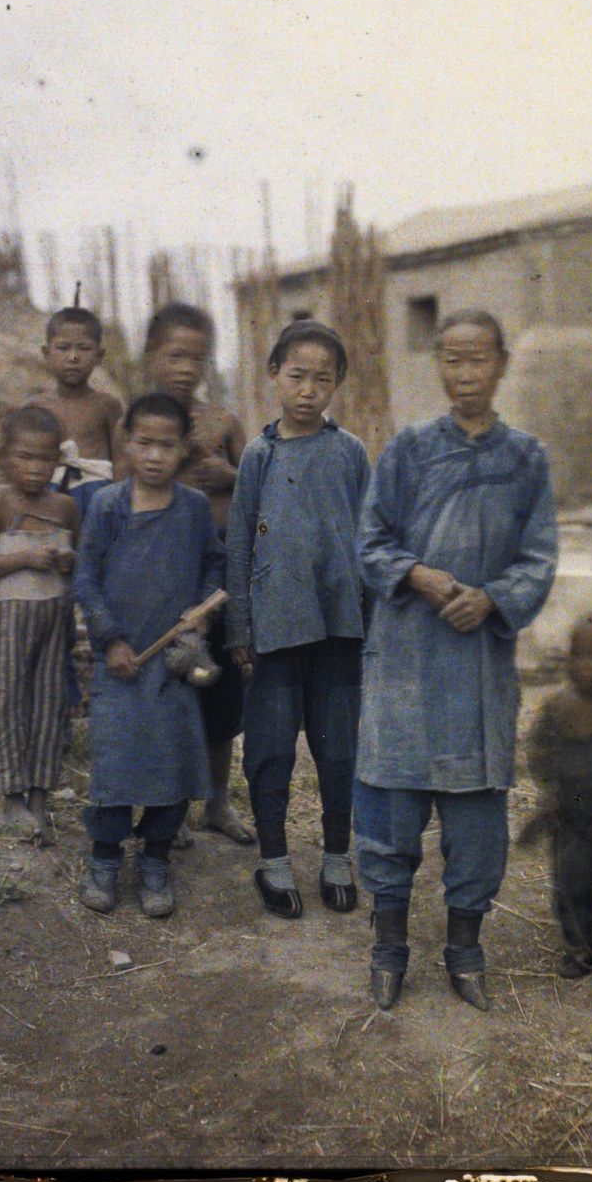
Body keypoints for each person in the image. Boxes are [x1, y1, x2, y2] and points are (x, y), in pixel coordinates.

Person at [356, 309, 558, 1011]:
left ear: (501, 365)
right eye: (452, 360)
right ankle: (388, 950)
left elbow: (539, 556)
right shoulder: (407, 450)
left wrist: (494, 599)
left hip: (478, 665)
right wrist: (417, 575)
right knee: (392, 810)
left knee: (476, 823)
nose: (466, 374)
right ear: (439, 365)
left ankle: (465, 950)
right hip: (406, 662)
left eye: (479, 360)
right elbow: (369, 541)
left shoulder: (526, 458)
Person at [225, 321, 370, 919]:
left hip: (338, 626)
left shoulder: (350, 452)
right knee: (270, 746)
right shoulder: (259, 456)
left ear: (338, 384)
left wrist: (369, 622)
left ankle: (337, 855)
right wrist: (240, 627)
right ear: (273, 375)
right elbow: (240, 542)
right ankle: (275, 859)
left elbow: (370, 538)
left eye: (322, 380)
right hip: (276, 627)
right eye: (297, 376)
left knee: (337, 747)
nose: (308, 390)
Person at [73, 392, 225, 917]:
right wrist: (111, 639)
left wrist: (201, 612)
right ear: (127, 443)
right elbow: (86, 578)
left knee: (172, 764)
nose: (155, 456)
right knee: (115, 765)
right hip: (119, 664)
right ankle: (105, 859)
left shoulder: (194, 508)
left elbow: (214, 566)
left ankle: (156, 859)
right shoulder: (107, 505)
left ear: (184, 448)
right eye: (145, 443)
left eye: (167, 445)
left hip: (172, 664)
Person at [141, 301, 254, 847]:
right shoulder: (143, 424)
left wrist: (228, 473)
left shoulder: (222, 422)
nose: (187, 369)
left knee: (222, 686)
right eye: (175, 356)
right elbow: (125, 484)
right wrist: (177, 461)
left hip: (222, 567)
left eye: (198, 358)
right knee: (171, 683)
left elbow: (259, 483)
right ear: (150, 355)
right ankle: (169, 804)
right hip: (166, 567)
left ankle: (217, 802)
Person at [0, 406, 81, 843]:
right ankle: (12, 794)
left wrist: (69, 561)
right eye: (25, 457)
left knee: (49, 702)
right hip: (11, 617)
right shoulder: (0, 505)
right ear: (5, 458)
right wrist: (24, 558)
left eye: (45, 458)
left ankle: (39, 796)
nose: (35, 468)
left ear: (58, 460)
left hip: (55, 616)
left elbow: (82, 560)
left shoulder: (65, 507)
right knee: (9, 698)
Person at [521, 612, 592, 980]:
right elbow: (539, 750)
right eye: (576, 654)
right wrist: (550, 791)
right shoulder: (558, 707)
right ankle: (579, 948)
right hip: (569, 819)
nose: (584, 666)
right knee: (570, 884)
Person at [40, 305, 123, 489]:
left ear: (99, 355)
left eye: (84, 348)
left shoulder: (107, 406)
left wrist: (116, 500)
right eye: (63, 348)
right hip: (49, 495)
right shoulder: (37, 407)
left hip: (96, 495)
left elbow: (121, 460)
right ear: (46, 353)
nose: (73, 358)